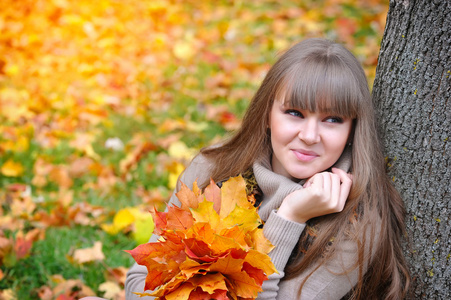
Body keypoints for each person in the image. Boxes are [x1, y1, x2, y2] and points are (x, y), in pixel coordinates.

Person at [93, 38, 410, 300]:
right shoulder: (212, 171)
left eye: (332, 119)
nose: (310, 136)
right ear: (267, 114)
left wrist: (289, 218)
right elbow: (139, 285)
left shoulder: (355, 226)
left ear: (353, 129)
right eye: (294, 113)